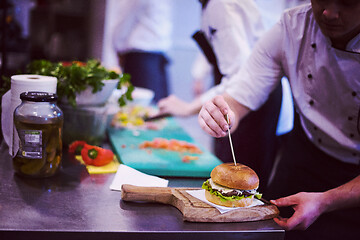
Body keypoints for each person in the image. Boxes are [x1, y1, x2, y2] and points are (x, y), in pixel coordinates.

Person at [198, 1, 360, 239]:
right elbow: (242, 94)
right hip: (305, 157)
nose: (329, 13)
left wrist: (327, 200)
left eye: (347, 3)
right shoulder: (291, 27)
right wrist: (222, 113)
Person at [158, 0, 286, 192]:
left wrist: (188, 108)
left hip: (251, 106)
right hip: (252, 98)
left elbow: (239, 75)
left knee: (240, 188)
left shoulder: (221, 5)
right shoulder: (216, 5)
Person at [112, 0, 172, 102]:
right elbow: (124, 20)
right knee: (141, 107)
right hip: (140, 57)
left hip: (157, 57)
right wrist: (118, 47)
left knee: (160, 107)